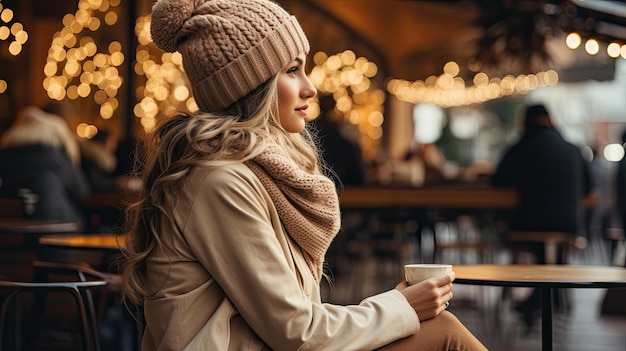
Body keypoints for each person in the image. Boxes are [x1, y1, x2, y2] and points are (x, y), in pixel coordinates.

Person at [118, 1, 487, 350]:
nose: (310, 88)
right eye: (292, 70)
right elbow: (296, 332)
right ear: (251, 86)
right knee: (443, 333)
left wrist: (401, 308)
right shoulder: (219, 182)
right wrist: (401, 306)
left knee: (442, 330)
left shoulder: (252, 173)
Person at [490, 103, 593, 329]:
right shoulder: (573, 149)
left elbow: (497, 182)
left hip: (527, 225)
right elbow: (589, 189)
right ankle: (545, 298)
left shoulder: (519, 148)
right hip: (569, 227)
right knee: (552, 252)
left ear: (525, 122)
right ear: (551, 120)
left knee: (537, 243)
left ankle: (538, 300)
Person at [0, 105, 90, 224]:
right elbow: (81, 191)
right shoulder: (54, 149)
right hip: (56, 222)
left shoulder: (6, 149)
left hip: (11, 225)